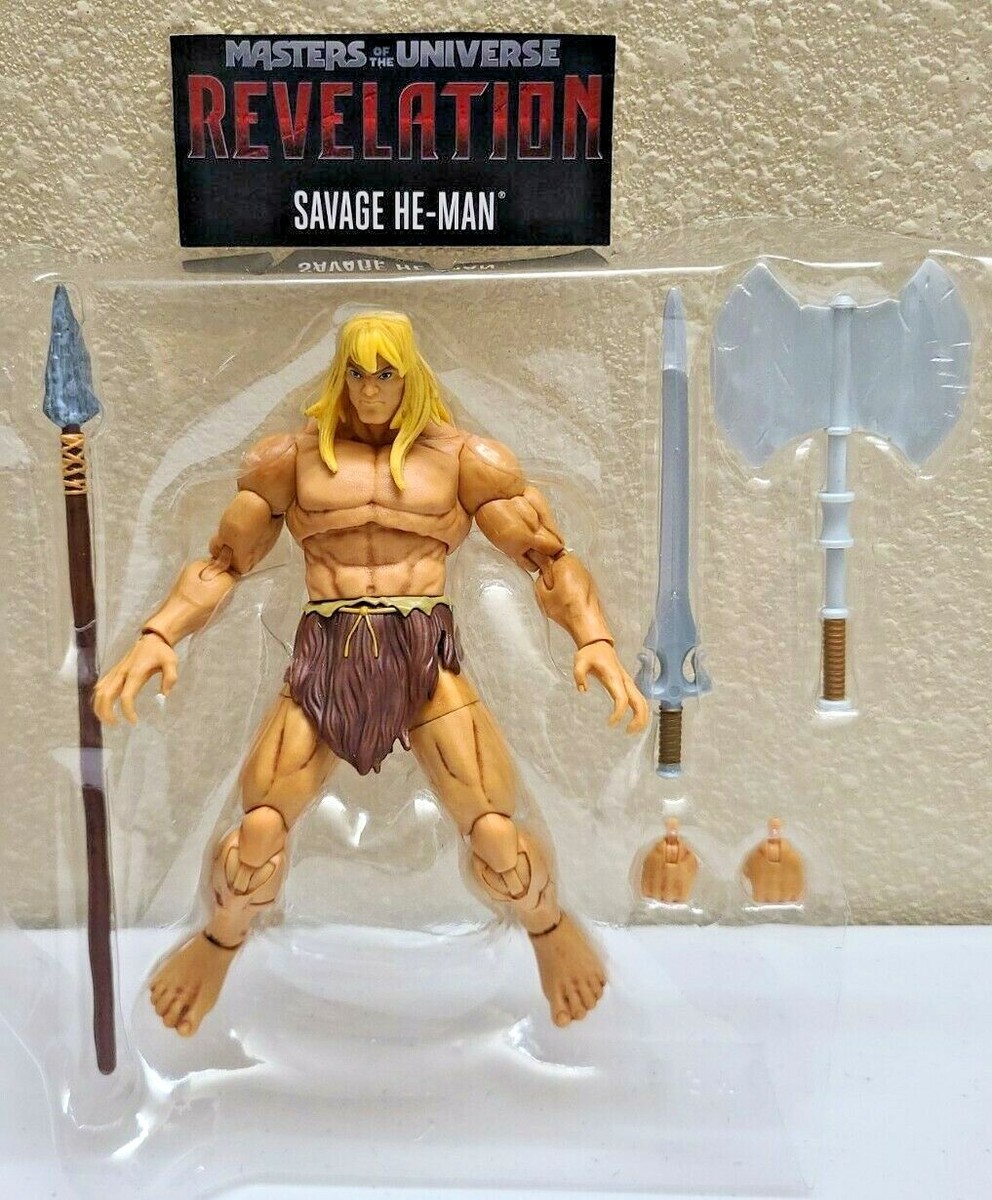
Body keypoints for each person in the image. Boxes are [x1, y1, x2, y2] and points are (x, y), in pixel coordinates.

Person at [94, 310, 648, 1037]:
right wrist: (157, 634)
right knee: (257, 831)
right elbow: (224, 562)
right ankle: (218, 945)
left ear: (410, 374)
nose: (371, 388)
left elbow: (548, 558)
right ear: (340, 374)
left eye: (386, 373)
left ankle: (549, 932)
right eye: (358, 373)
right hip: (327, 656)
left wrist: (594, 639)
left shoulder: (464, 460)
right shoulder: (289, 460)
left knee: (494, 834)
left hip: (422, 653)